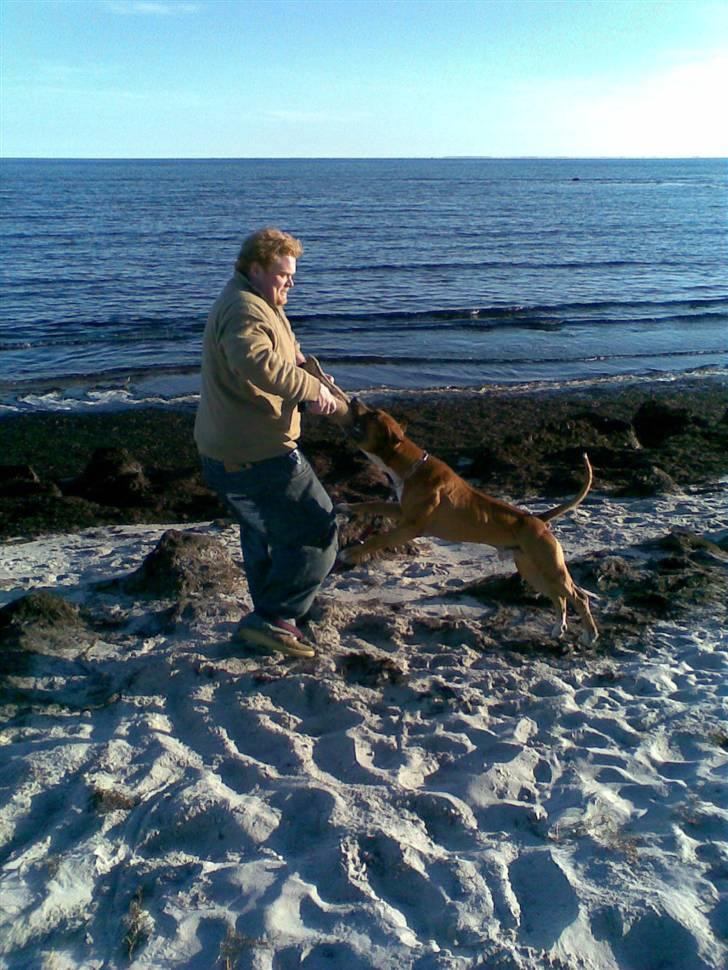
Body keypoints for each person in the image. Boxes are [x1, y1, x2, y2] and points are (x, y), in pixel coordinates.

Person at [194, 227, 340, 658]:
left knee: (266, 533)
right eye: (282, 275)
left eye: (292, 275)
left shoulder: (261, 303)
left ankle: (280, 614)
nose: (290, 283)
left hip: (226, 452)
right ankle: (275, 616)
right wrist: (311, 393)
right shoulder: (243, 310)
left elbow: (285, 354)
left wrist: (313, 376)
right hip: (259, 454)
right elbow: (254, 361)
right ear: (254, 269)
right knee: (319, 530)